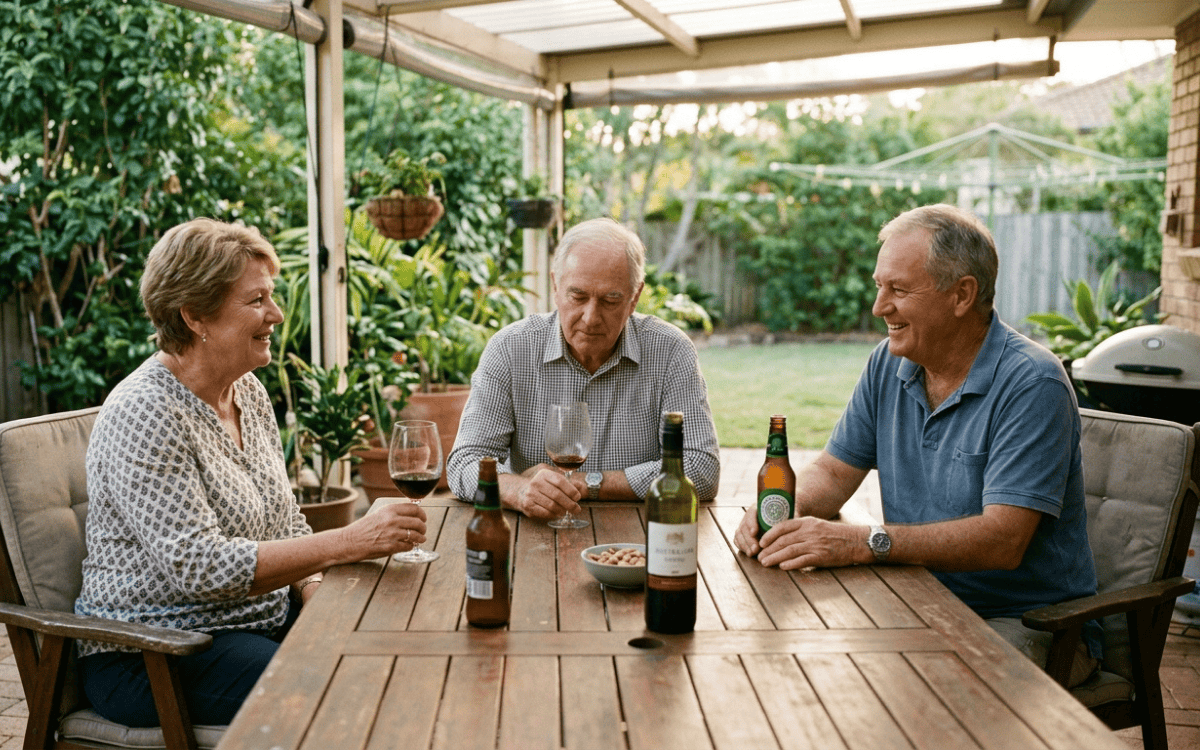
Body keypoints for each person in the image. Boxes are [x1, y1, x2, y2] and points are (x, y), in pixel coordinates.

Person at [75, 218, 428, 727]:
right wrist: (351, 540)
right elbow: (199, 567)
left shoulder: (247, 391)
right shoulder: (144, 412)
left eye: (272, 296)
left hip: (254, 623)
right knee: (344, 690)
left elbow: (284, 521)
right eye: (256, 300)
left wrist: (311, 585)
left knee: (393, 645)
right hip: (156, 650)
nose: (276, 314)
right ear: (195, 315)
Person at [734, 203, 1100, 686]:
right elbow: (834, 473)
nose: (878, 307)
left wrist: (864, 542)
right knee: (805, 663)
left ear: (962, 295)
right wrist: (779, 509)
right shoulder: (888, 363)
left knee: (914, 687)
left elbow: (1003, 541)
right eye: (879, 286)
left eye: (899, 290)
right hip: (914, 594)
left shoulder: (1032, 384)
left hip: (1027, 622)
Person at [447, 217, 720, 518]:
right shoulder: (510, 349)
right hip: (535, 535)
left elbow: (701, 468)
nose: (590, 317)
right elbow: (465, 463)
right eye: (577, 296)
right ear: (555, 286)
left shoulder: (670, 351)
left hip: (640, 537)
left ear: (634, 298)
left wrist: (585, 483)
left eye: (610, 300)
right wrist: (518, 490)